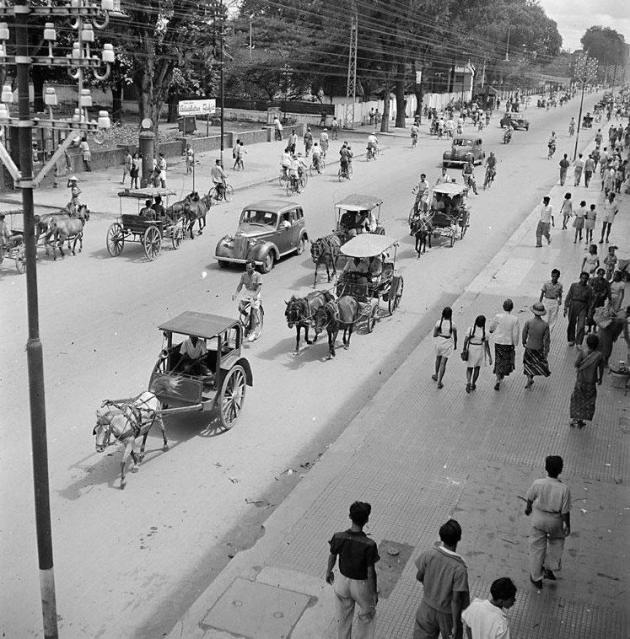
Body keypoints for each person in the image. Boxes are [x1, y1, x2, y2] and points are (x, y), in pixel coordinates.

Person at [327, 501, 379, 639]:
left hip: (342, 582)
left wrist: (328, 572)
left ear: (350, 516)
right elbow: (370, 572)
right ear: (367, 519)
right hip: (361, 586)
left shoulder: (338, 537)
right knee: (367, 615)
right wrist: (373, 592)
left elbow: (332, 556)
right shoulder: (369, 544)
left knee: (343, 618)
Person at [413, 519, 469, 639]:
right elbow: (456, 601)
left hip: (426, 608)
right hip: (447, 615)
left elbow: (419, 576)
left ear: (441, 537)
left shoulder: (429, 554)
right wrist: (455, 625)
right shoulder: (459, 569)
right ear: (459, 538)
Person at [525, 455, 571, 589]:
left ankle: (536, 577)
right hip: (555, 521)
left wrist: (528, 508)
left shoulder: (538, 483)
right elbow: (565, 511)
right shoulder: (564, 489)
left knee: (537, 547)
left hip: (538, 519)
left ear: (546, 468)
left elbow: (530, 498)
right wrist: (567, 525)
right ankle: (549, 567)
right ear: (561, 470)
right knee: (556, 544)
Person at [488, 299, 519, 392]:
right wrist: (515, 343)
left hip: (498, 342)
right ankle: (501, 375)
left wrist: (491, 330)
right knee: (505, 360)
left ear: (503, 307)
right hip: (508, 343)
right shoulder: (515, 319)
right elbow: (515, 333)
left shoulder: (498, 316)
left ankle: (498, 378)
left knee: (498, 359)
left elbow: (492, 327)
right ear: (512, 308)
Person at [522, 303, 550, 389]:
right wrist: (546, 351)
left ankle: (529, 378)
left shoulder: (529, 322)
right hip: (539, 347)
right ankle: (531, 377)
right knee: (535, 364)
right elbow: (546, 340)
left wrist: (523, 342)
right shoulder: (545, 325)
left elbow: (524, 333)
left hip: (529, 346)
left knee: (528, 364)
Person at [233, 260, 262, 340]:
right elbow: (240, 285)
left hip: (255, 292)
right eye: (246, 268)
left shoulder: (258, 275)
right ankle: (246, 315)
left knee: (253, 312)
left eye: (249, 268)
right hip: (248, 292)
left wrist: (255, 296)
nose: (247, 269)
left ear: (253, 267)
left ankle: (253, 332)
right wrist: (236, 294)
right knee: (240, 307)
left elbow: (259, 287)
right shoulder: (244, 275)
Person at [463, 315, 492, 393]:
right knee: (477, 368)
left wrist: (464, 348)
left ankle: (468, 381)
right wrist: (490, 357)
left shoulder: (471, 330)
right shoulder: (485, 333)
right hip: (479, 351)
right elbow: (487, 346)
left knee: (469, 368)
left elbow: (465, 340)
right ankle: (473, 384)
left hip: (471, 349)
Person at [564, 272, 593, 346]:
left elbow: (590, 301)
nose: (584, 280)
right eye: (582, 278)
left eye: (586, 278)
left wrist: (589, 312)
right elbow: (569, 296)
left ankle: (579, 342)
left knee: (581, 325)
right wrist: (565, 307)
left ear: (587, 279)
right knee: (571, 323)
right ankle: (571, 339)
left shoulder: (589, 289)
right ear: (580, 277)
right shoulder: (574, 285)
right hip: (573, 305)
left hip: (583, 306)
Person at [432, 307, 457, 389]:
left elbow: (434, 334)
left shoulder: (438, 323)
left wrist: (440, 334)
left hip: (439, 343)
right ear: (450, 315)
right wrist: (455, 345)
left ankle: (436, 374)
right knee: (443, 363)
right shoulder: (452, 324)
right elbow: (455, 336)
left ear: (442, 314)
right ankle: (439, 382)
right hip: (447, 344)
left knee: (437, 359)